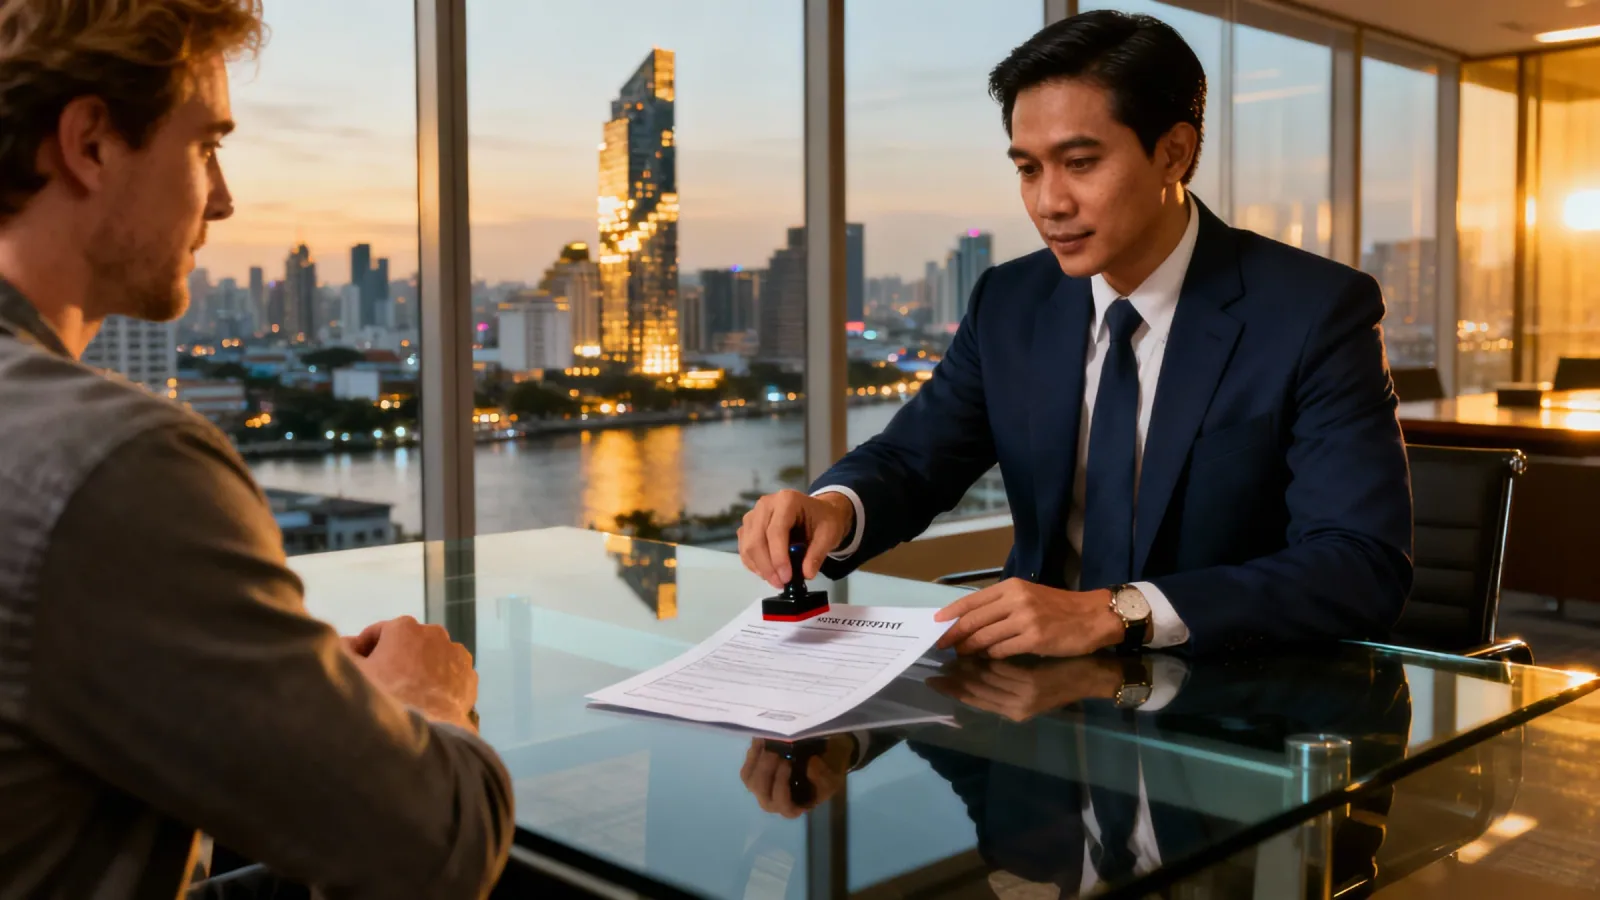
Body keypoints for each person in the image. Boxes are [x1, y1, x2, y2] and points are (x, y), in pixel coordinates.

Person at [0, 2, 512, 897]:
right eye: (206, 146)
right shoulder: (117, 461)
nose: (225, 200)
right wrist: (426, 702)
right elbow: (438, 847)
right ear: (89, 143)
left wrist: (291, 694)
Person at [738, 10, 1412, 657]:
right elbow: (914, 461)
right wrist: (833, 507)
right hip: (1035, 705)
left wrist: (1116, 612)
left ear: (1174, 153)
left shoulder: (1314, 311)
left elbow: (1358, 563)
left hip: (1234, 708)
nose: (1048, 203)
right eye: (1028, 168)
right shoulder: (1010, 300)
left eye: (1080, 163)